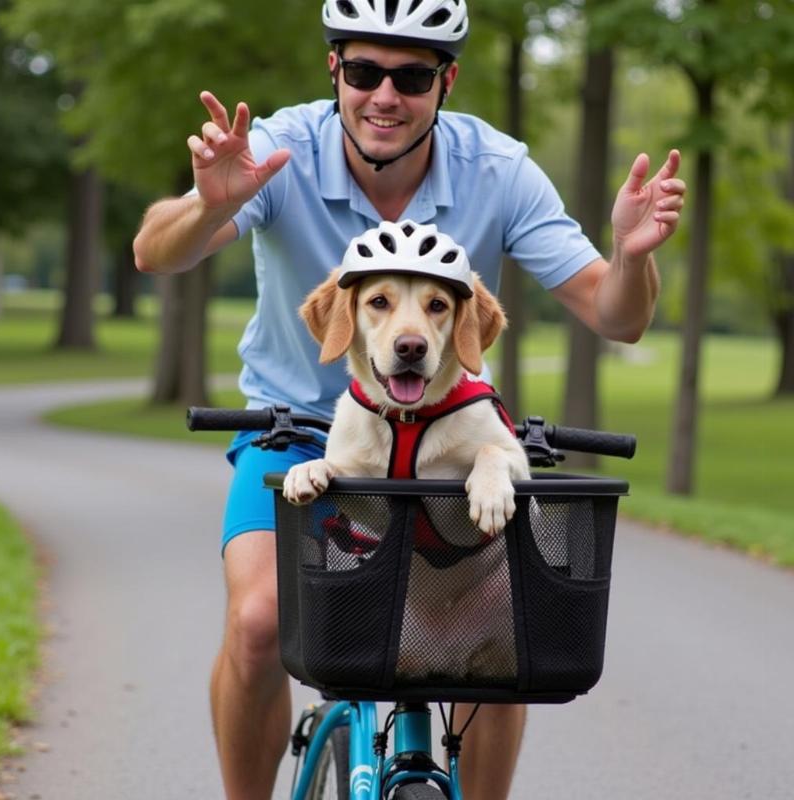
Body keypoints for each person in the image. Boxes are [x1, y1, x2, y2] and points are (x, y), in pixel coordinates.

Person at [133, 2, 686, 798]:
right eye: (363, 72)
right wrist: (212, 204)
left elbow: (617, 314)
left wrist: (633, 257)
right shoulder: (280, 148)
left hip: (449, 440)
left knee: (501, 642)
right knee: (259, 624)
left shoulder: (498, 169)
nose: (384, 96)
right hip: (297, 433)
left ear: (445, 81)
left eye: (412, 76)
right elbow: (155, 252)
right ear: (335, 71)